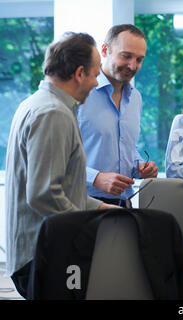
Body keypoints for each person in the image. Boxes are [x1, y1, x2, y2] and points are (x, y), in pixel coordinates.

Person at [5, 32, 119, 299]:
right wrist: (88, 228)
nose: (95, 83)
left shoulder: (38, 104)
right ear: (79, 73)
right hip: (47, 257)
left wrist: (101, 207)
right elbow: (44, 195)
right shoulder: (53, 113)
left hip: (40, 254)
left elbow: (61, 188)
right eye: (94, 74)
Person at [77, 24, 158, 208]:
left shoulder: (135, 97)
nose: (133, 65)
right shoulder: (80, 93)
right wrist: (96, 178)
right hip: (84, 203)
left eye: (139, 59)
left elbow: (126, 147)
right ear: (105, 50)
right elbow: (60, 158)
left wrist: (140, 165)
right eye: (126, 56)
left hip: (125, 203)